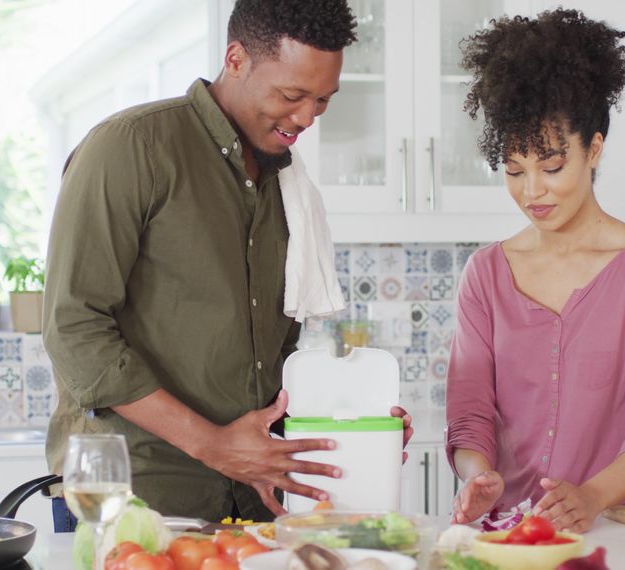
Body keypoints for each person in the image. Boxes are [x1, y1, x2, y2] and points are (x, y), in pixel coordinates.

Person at [42, 0, 412, 526]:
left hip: (252, 503)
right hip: (133, 499)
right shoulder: (132, 147)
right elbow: (74, 328)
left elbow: (276, 360)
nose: (307, 118)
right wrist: (213, 445)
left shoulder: (287, 184)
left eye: (323, 101)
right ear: (235, 59)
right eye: (291, 95)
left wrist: (361, 428)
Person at [445, 8, 625, 533]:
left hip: (621, 535)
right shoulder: (486, 274)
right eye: (514, 170)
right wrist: (477, 476)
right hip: (511, 538)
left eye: (552, 167)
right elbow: (469, 419)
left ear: (594, 149)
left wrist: (592, 497)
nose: (532, 191)